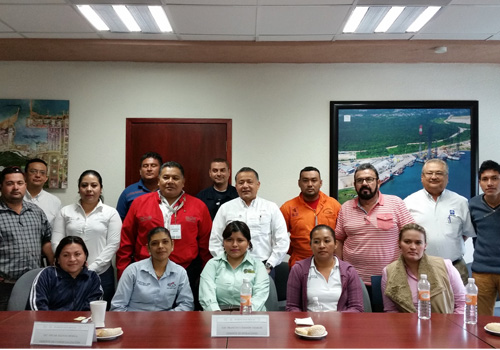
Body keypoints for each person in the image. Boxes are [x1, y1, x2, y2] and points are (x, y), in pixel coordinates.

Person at [116, 161, 212, 308]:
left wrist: (205, 276)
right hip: (145, 272)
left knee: (183, 318)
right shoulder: (139, 203)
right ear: (159, 180)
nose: (170, 182)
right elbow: (126, 240)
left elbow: (206, 245)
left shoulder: (198, 206)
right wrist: (123, 272)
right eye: (166, 177)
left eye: (175, 178)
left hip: (187, 271)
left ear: (183, 182)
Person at [335, 163, 414, 290]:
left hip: (391, 279)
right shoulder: (345, 208)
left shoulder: (396, 203)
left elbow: (412, 237)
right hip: (354, 280)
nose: (364, 183)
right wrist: (340, 268)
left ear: (378, 182)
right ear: (355, 185)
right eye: (360, 180)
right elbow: (338, 239)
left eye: (369, 179)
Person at [51, 170, 121, 306]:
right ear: (79, 189)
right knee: (67, 312)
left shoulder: (110, 213)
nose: (89, 189)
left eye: (94, 185)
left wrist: (91, 268)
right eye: (84, 185)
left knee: (100, 317)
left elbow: (113, 244)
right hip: (67, 272)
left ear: (101, 189)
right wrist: (69, 264)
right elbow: (56, 242)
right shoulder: (65, 211)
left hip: (101, 274)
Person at [404, 159, 475, 285]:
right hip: (421, 268)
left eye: (439, 173)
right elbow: (405, 237)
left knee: (459, 304)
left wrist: (447, 244)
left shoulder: (460, 202)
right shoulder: (408, 203)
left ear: (447, 177)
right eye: (429, 173)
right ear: (422, 177)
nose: (434, 177)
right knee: (423, 304)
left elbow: (466, 233)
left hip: (456, 267)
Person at [209, 167, 289, 277]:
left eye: (250, 182)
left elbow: (282, 240)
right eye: (241, 183)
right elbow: (215, 240)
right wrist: (225, 264)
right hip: (232, 268)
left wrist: (269, 265)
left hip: (263, 267)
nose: (245, 186)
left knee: (265, 294)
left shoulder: (271, 208)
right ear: (236, 186)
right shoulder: (225, 209)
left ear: (258, 184)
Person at [0, 166, 53, 311]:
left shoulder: (36, 212)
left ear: (25, 185)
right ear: (1, 186)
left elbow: (46, 241)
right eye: (10, 183)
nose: (15, 187)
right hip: (5, 286)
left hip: (34, 284)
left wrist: (54, 266)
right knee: (6, 329)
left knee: (32, 325)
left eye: (20, 183)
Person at [382, 223, 465, 314]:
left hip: (443, 325)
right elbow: (390, 310)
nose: (413, 247)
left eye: (418, 243)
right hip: (405, 326)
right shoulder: (388, 271)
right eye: (407, 242)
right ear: (399, 243)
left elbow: (462, 303)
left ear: (425, 245)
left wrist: (450, 326)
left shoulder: (445, 265)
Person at [111, 227, 193, 311]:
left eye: (165, 242)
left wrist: (166, 318)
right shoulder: (133, 270)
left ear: (172, 245)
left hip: (166, 322)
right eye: (154, 243)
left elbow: (187, 304)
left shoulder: (180, 272)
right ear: (148, 248)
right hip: (134, 321)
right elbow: (118, 306)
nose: (160, 246)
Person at [286, 224, 364, 312]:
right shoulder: (298, 269)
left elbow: (356, 308)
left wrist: (336, 319)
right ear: (310, 245)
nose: (322, 246)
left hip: (341, 324)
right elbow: (292, 307)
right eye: (316, 242)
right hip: (310, 324)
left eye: (327, 241)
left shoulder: (349, 271)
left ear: (335, 244)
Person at [199, 221, 269, 311]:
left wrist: (242, 317)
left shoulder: (258, 266)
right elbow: (207, 296)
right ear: (223, 242)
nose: (234, 244)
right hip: (218, 315)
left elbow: (260, 296)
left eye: (240, 240)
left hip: (251, 316)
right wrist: (218, 317)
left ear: (248, 243)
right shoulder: (212, 264)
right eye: (229, 240)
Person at [280, 166, 341, 268]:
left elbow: (341, 236)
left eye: (314, 180)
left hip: (330, 263)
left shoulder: (334, 205)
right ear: (299, 183)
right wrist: (295, 251)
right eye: (305, 181)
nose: (310, 184)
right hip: (300, 262)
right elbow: (278, 237)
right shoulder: (288, 207)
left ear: (320, 183)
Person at [28, 236, 103, 311]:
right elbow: (38, 307)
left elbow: (94, 309)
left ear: (85, 256)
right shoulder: (47, 275)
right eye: (66, 255)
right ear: (58, 259)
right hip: (50, 321)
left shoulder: (92, 277)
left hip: (82, 321)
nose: (72, 259)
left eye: (77, 254)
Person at [469, 160, 500, 316]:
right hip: (482, 272)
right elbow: (474, 234)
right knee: (481, 320)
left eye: (494, 178)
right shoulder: (473, 205)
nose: (490, 183)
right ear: (480, 182)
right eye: (485, 179)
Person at [116, 151, 163, 221]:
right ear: (140, 171)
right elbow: (119, 220)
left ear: (161, 169)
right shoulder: (128, 192)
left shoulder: (167, 190)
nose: (149, 169)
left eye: (153, 165)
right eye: (145, 166)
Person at [23, 158, 62, 227]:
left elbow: (58, 230)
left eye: (42, 173)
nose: (38, 175)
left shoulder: (55, 202)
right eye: (33, 171)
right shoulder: (15, 198)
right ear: (25, 175)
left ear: (46, 178)